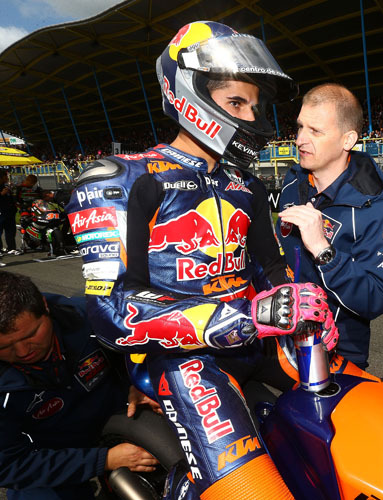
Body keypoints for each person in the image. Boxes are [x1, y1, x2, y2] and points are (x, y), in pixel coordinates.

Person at [64, 21, 337, 499]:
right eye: (237, 102)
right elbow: (110, 313)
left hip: (258, 343)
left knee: (359, 423)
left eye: (256, 104)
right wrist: (247, 317)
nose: (251, 116)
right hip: (182, 362)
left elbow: (270, 269)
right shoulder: (119, 180)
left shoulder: (247, 186)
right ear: (188, 91)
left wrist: (298, 308)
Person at [0, 271, 158, 500]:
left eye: (31, 335)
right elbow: (8, 466)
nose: (24, 351)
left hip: (117, 417)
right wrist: (104, 460)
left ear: (45, 307)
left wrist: (139, 383)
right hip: (46, 456)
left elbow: (142, 349)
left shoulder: (91, 315)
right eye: (6, 346)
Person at [277, 83, 383, 372]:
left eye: (315, 131)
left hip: (337, 354)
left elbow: (377, 299)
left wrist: (323, 250)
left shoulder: (372, 208)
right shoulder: (292, 183)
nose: (300, 140)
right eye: (300, 128)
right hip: (280, 340)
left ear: (348, 140)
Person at [0, 171, 18, 258]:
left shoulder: (6, 187)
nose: (7, 178)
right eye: (5, 176)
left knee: (10, 230)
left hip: (9, 212)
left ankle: (11, 248)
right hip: (1, 212)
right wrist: (1, 194)